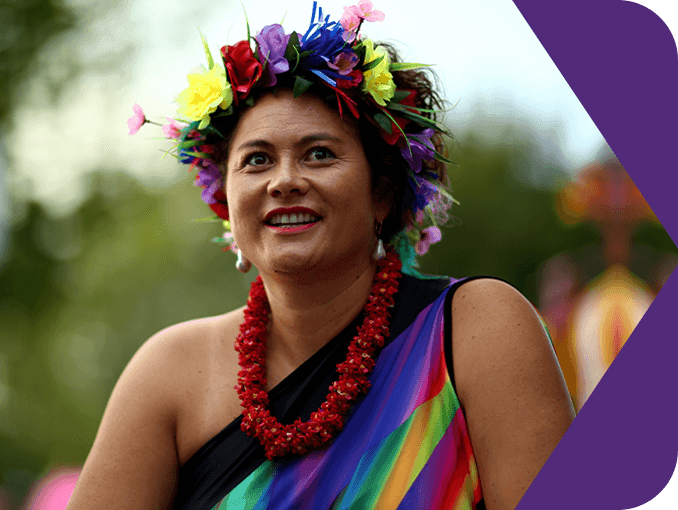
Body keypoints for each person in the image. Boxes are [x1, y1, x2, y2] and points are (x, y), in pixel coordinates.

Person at [67, 2, 575, 509]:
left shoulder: (476, 329)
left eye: (319, 153)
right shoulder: (169, 372)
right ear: (226, 204)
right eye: (257, 160)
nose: (285, 181)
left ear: (382, 193)